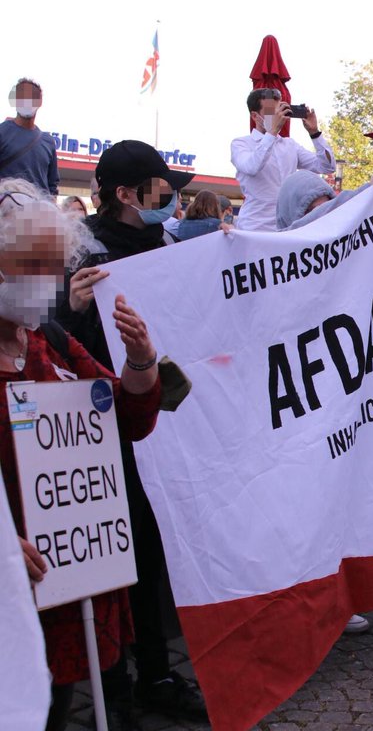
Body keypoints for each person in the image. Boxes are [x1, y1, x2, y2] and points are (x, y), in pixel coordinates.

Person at [53, 141, 210, 723]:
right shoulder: (81, 255)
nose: (169, 196)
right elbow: (55, 343)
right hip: (104, 436)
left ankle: (157, 674)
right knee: (115, 559)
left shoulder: (164, 245)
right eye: (158, 188)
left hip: (167, 424)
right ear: (125, 194)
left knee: (153, 552)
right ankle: (114, 688)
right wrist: (70, 308)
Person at [0, 182, 162, 731]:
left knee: (55, 706)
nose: (43, 278)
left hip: (62, 583)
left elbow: (123, 415)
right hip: (9, 590)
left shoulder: (47, 340)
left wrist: (141, 363)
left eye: (51, 264)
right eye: (28, 263)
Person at [230, 88, 335, 231]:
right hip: (254, 227)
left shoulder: (289, 145)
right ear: (255, 116)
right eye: (271, 111)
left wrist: (315, 133)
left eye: (280, 110)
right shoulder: (241, 144)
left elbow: (326, 167)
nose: (279, 116)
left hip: (287, 228)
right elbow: (252, 167)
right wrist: (272, 132)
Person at [0, 78, 59, 195]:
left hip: (38, 210)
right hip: (7, 208)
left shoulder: (48, 142)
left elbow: (52, 185)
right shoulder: (2, 132)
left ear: (40, 102)